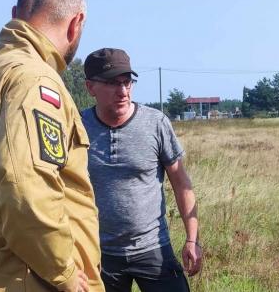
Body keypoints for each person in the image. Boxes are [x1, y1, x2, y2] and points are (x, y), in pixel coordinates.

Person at [0, 0, 104, 292]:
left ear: (16, 15)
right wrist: (64, 273)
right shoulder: (34, 80)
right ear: (77, 23)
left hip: (0, 273)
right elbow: (25, 189)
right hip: (36, 277)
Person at [82, 48, 202, 292]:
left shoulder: (155, 123)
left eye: (127, 82)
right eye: (112, 83)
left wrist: (192, 239)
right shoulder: (77, 126)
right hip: (99, 253)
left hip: (153, 248)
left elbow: (181, 184)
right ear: (90, 87)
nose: (123, 91)